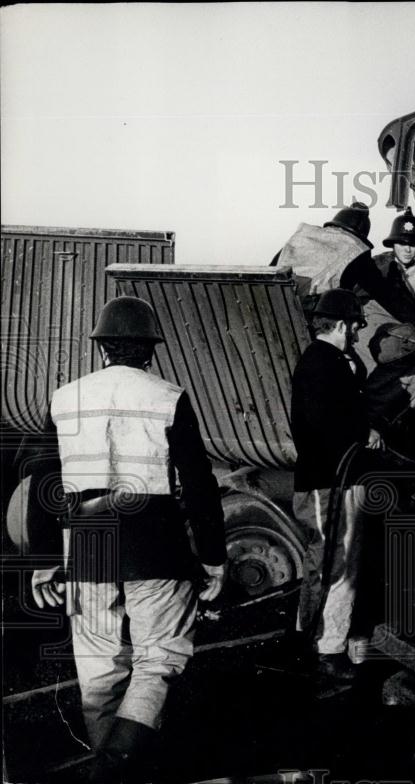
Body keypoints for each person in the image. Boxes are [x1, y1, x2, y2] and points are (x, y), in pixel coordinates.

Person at [28, 296, 226, 782]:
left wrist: (45, 559)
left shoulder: (64, 397)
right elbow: (199, 483)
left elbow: (39, 480)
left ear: (101, 350)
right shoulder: (168, 396)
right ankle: (114, 770)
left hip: (88, 538)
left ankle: (110, 767)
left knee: (99, 670)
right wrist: (214, 558)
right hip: (153, 538)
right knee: (157, 661)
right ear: (149, 352)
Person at [290, 288, 382, 682]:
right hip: (329, 482)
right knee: (334, 564)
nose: (359, 334)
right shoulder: (322, 362)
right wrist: (364, 432)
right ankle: (325, 650)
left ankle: (313, 641)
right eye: (356, 326)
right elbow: (324, 423)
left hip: (339, 479)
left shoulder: (330, 360)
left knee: (333, 561)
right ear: (342, 325)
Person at [340, 206, 415, 371]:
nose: (407, 249)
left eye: (413, 244)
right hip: (380, 323)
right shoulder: (378, 267)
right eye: (402, 243)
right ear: (393, 244)